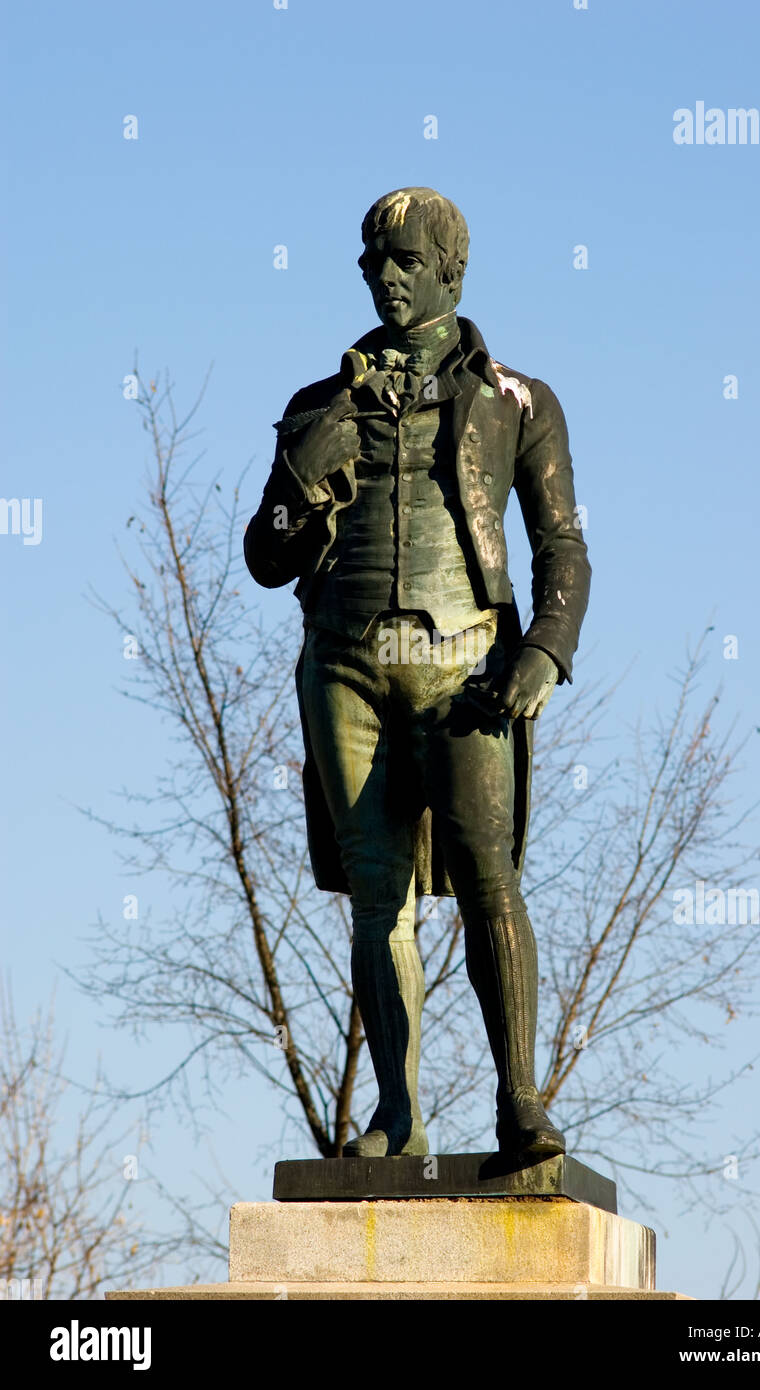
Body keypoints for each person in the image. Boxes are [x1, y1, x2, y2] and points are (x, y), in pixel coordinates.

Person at [244, 187, 591, 1160]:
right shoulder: (318, 404)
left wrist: (545, 652)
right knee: (375, 892)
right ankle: (397, 1117)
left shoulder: (516, 399)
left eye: (403, 259)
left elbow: (563, 546)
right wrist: (298, 486)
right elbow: (265, 557)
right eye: (372, 260)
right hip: (344, 663)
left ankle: (520, 1101)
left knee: (490, 877)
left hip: (465, 662)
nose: (384, 275)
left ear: (451, 270)